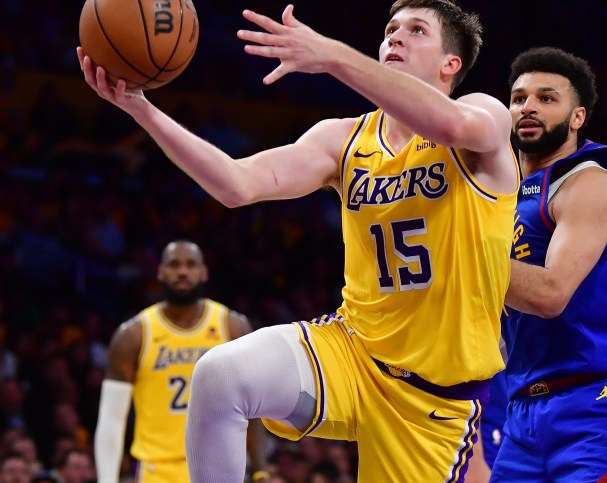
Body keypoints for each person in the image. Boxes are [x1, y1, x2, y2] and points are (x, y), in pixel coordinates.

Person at [77, 0, 519, 481]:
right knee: (220, 375)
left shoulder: (484, 116)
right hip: (352, 352)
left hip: (432, 399)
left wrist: (331, 55)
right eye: (391, 27)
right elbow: (236, 184)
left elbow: (450, 126)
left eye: (416, 31)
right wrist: (141, 109)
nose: (395, 36)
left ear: (449, 64)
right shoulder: (342, 139)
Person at [491, 47, 607, 482]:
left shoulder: (589, 181)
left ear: (578, 117)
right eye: (518, 98)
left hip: (600, 403)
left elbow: (550, 294)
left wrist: (456, 253)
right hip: (522, 412)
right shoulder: (502, 194)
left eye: (547, 98)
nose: (528, 106)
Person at [92, 240, 270, 483]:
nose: (183, 271)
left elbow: (254, 410)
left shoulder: (232, 327)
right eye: (174, 265)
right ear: (160, 272)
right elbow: (112, 419)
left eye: (191, 264)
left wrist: (261, 470)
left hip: (220, 468)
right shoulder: (133, 335)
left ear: (204, 272)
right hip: (158, 470)